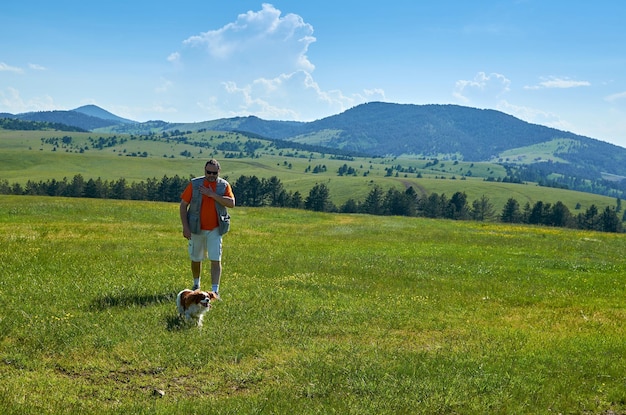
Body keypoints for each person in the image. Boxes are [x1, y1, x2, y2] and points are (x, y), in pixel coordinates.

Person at [179, 159, 235, 297]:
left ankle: (215, 291)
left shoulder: (224, 185)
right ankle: (196, 284)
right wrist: (185, 227)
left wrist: (213, 195)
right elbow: (183, 205)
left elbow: (231, 203)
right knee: (196, 258)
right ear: (204, 171)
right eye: (208, 172)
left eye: (214, 173)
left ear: (218, 172)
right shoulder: (195, 184)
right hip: (196, 228)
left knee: (216, 259)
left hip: (216, 228)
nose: (211, 175)